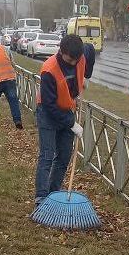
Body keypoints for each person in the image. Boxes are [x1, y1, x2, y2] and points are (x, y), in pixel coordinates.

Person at [34, 32, 95, 207]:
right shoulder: (49, 70)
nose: (74, 63)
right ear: (61, 52)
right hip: (47, 112)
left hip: (67, 108)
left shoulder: (82, 53)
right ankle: (41, 198)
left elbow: (90, 52)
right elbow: (50, 106)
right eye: (70, 61)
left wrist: (86, 76)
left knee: (64, 156)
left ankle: (54, 193)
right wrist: (72, 124)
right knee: (47, 155)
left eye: (76, 60)